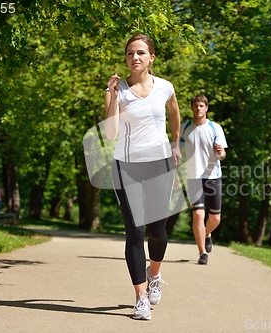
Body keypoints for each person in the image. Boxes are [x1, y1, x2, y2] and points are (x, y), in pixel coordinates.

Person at [104, 33, 181, 320]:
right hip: (127, 167)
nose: (134, 57)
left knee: (157, 231)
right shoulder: (117, 90)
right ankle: (140, 298)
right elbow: (111, 133)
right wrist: (111, 96)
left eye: (140, 53)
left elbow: (174, 113)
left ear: (151, 58)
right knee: (135, 232)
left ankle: (155, 273)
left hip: (159, 164)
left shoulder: (165, 88)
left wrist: (175, 144)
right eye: (129, 53)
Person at [179, 94, 227, 265]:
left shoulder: (215, 128)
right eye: (195, 105)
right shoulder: (184, 128)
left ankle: (207, 234)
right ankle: (202, 252)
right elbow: (177, 151)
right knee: (198, 215)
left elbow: (222, 156)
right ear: (192, 108)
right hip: (193, 178)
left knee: (215, 219)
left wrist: (220, 151)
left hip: (213, 176)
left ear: (206, 108)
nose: (198, 108)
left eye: (201, 106)